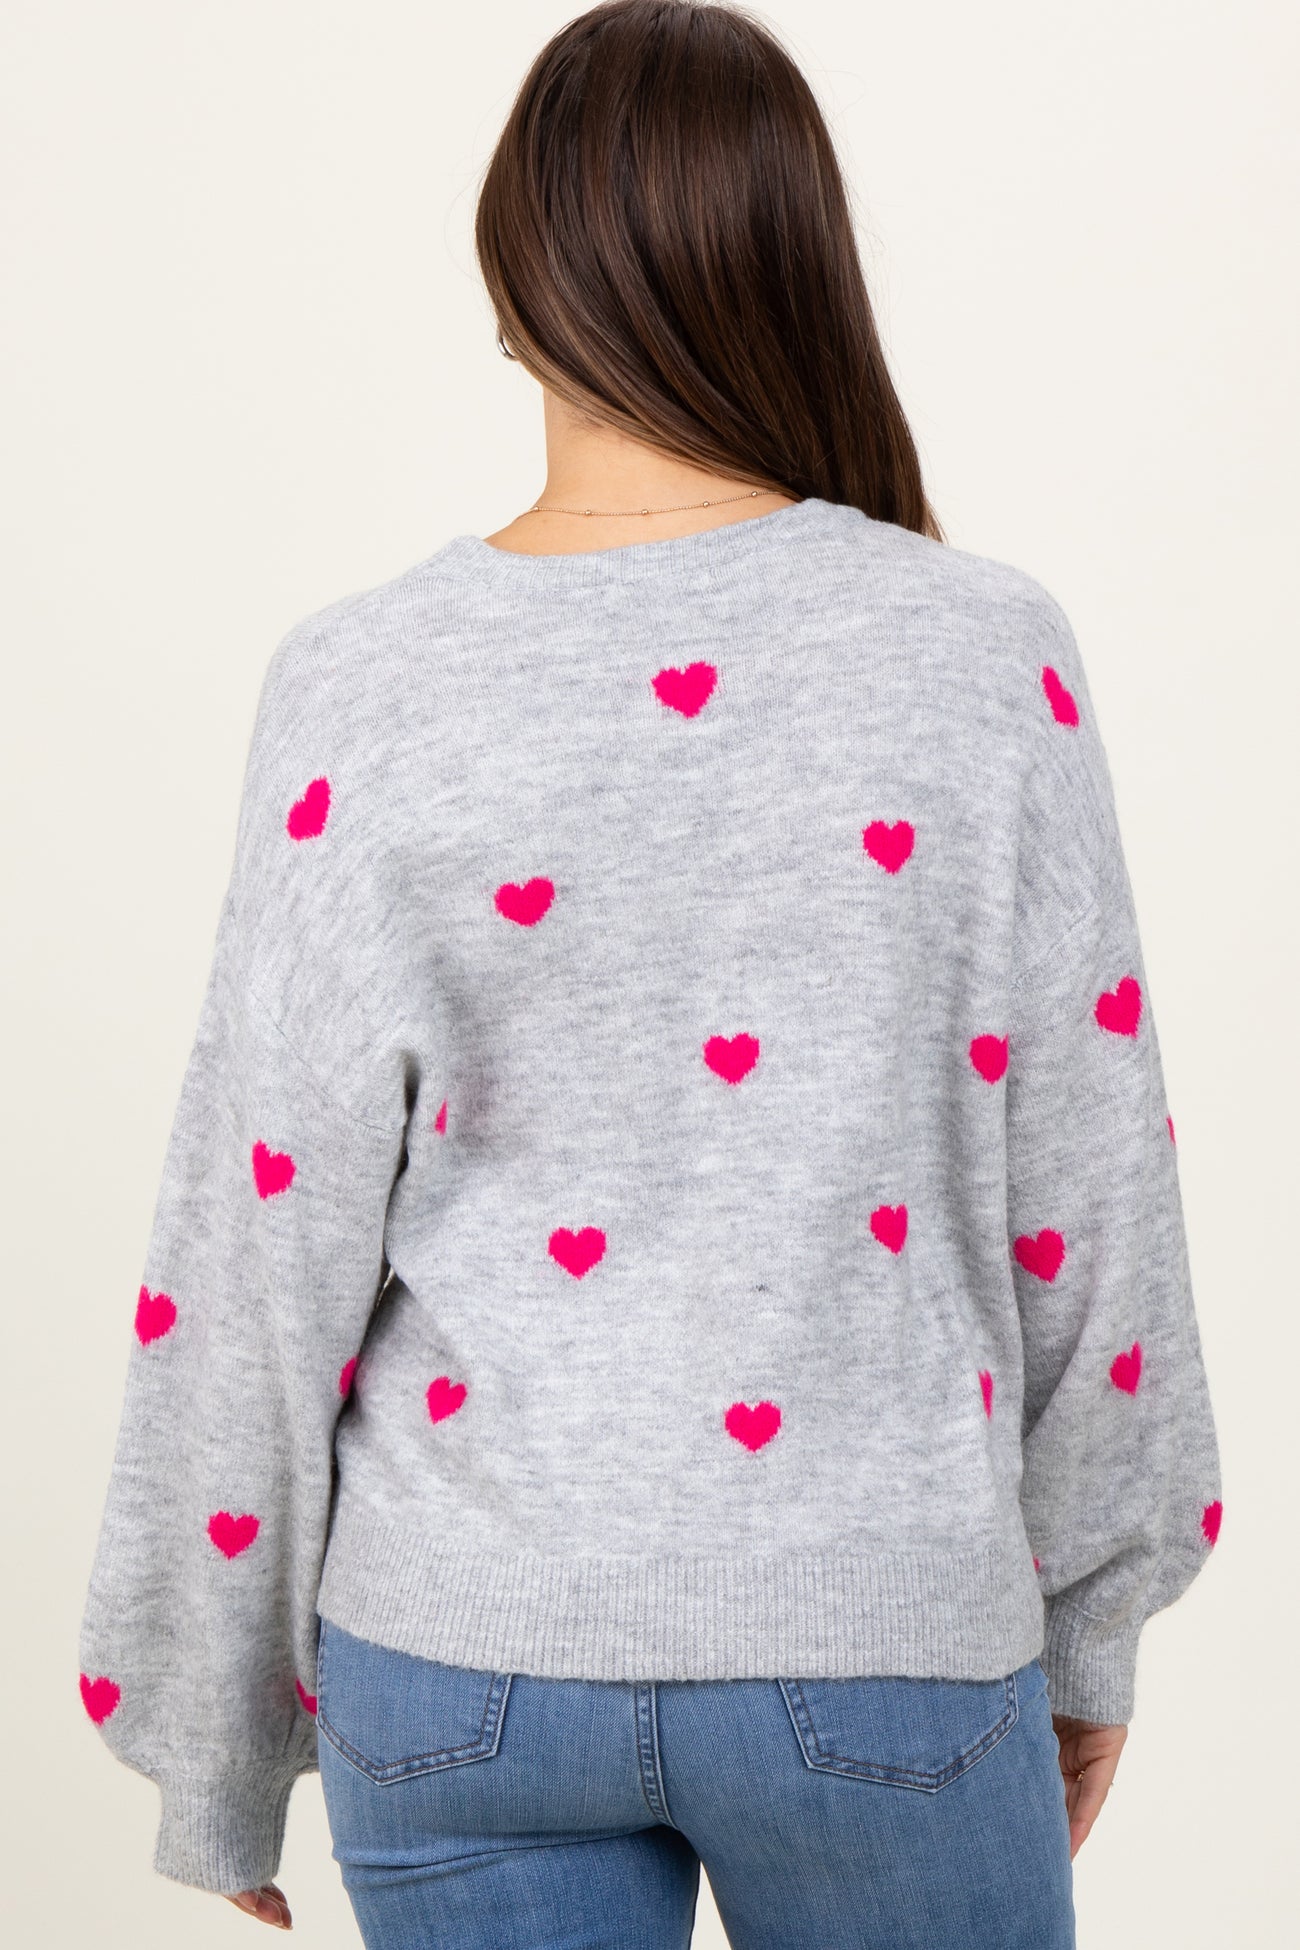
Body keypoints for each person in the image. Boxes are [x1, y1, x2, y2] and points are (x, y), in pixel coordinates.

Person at [78, 3, 1223, 1945]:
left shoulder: (360, 685)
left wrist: (213, 1734)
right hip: (879, 1637)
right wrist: (1092, 1617)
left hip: (459, 1656)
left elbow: (258, 1233)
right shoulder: (980, 657)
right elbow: (1090, 1204)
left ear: (511, 289)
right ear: (799, 268)